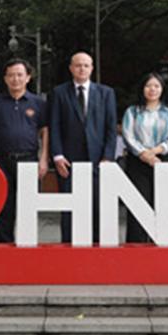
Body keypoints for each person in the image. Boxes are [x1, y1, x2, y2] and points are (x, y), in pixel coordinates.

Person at [48, 51, 117, 244]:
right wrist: (57, 155)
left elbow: (111, 128)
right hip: (68, 161)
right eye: (78, 65)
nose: (82, 69)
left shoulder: (106, 93)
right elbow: (54, 126)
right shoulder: (59, 93)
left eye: (86, 65)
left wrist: (108, 157)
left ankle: (96, 248)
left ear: (92, 68)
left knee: (97, 207)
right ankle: (68, 249)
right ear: (71, 68)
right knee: (69, 209)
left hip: (98, 160)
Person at [0, 59, 48, 243]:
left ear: (28, 77)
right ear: (5, 78)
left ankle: (27, 246)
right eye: (11, 75)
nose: (15, 79)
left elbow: (45, 131)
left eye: (19, 75)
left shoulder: (38, 103)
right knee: (3, 207)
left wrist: (43, 159)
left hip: (29, 161)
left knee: (28, 207)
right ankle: (4, 247)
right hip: (1, 161)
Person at [122, 72, 168, 244]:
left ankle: (160, 245)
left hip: (163, 160)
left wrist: (155, 151)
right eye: (148, 86)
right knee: (138, 205)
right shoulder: (132, 112)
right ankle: (136, 246)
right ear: (142, 89)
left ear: (162, 89)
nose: (152, 89)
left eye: (156, 86)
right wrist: (145, 155)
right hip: (138, 162)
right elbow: (128, 136)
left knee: (163, 205)